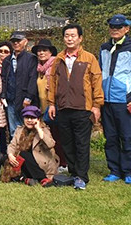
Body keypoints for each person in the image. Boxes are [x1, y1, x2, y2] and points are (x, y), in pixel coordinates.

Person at [47, 24, 104, 190]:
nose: (70, 39)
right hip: (63, 108)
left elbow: (96, 82)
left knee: (81, 144)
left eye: (73, 36)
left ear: (80, 38)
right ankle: (73, 172)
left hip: (82, 108)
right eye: (67, 36)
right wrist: (52, 104)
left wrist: (97, 105)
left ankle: (81, 176)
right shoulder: (58, 59)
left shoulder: (89, 58)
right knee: (67, 143)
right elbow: (53, 83)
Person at [99, 14, 131, 185]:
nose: (115, 30)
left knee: (127, 137)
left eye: (119, 27)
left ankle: (129, 171)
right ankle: (114, 170)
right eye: (112, 27)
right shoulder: (104, 48)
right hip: (106, 101)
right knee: (110, 137)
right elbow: (99, 73)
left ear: (126, 29)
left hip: (124, 100)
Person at [31, 39, 67, 169]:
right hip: (43, 107)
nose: (41, 53)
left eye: (44, 50)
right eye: (39, 50)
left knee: (58, 136)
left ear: (50, 52)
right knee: (49, 136)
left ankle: (63, 163)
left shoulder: (55, 66)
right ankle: (53, 161)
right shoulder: (39, 69)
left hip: (55, 106)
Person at [4, 105, 59, 187]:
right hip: (25, 164)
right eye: (27, 117)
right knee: (6, 158)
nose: (29, 120)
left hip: (40, 163)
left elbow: (51, 144)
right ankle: (25, 178)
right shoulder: (19, 130)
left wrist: (39, 130)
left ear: (38, 119)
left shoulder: (44, 130)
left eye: (32, 118)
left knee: (23, 154)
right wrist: (10, 155)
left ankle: (42, 178)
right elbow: (12, 145)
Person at [0, 31, 38, 136]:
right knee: (13, 130)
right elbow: (4, 79)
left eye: (18, 41)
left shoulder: (31, 58)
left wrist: (29, 97)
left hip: (25, 99)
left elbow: (33, 78)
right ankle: (16, 152)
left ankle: (27, 152)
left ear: (25, 42)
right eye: (13, 41)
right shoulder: (7, 60)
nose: (16, 43)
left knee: (28, 128)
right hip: (10, 99)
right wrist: (3, 95)